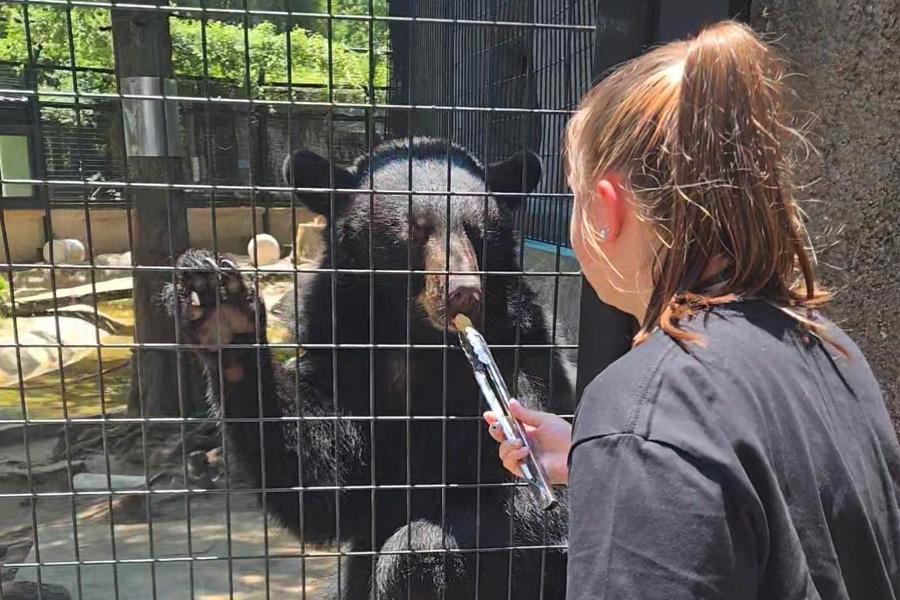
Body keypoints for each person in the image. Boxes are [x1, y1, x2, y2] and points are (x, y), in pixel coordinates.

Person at [484, 20, 900, 600]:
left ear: (605, 209)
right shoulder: (833, 350)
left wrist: (628, 445)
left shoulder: (647, 406)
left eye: (574, 196)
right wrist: (597, 456)